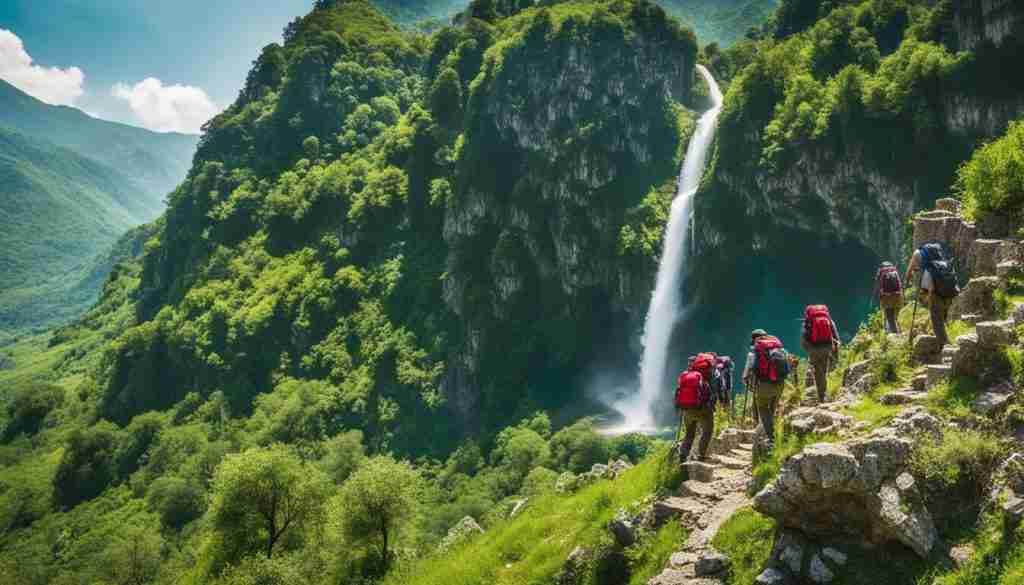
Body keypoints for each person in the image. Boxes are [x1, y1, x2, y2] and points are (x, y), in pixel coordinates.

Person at [906, 242, 961, 347]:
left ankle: (944, 345)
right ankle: (945, 340)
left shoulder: (923, 262)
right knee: (942, 316)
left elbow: (910, 273)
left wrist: (908, 280)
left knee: (936, 319)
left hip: (936, 293)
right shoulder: (941, 262)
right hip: (949, 291)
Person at [675, 352, 726, 462]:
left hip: (688, 408)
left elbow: (679, 390)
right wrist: (721, 402)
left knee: (689, 433)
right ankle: (701, 454)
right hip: (704, 408)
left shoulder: (688, 373)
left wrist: (680, 405)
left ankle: (683, 453)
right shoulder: (714, 373)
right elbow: (719, 389)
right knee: (707, 431)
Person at [743, 330, 788, 451]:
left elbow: (746, 374)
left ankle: (770, 437)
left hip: (763, 385)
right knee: (771, 409)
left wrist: (748, 382)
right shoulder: (778, 348)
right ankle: (771, 431)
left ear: (754, 339)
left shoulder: (754, 352)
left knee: (762, 409)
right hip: (780, 384)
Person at [800, 305, 841, 404]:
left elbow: (804, 339)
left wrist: (809, 350)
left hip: (814, 349)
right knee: (822, 371)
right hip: (827, 348)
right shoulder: (829, 321)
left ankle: (817, 397)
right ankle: (822, 395)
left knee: (816, 371)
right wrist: (835, 352)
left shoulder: (808, 321)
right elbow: (836, 337)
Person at [875, 261, 904, 334]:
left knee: (888, 314)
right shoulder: (894, 270)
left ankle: (892, 332)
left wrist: (880, 296)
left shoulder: (881, 271)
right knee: (894, 315)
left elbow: (878, 285)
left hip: (886, 296)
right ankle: (896, 330)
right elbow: (899, 283)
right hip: (897, 294)